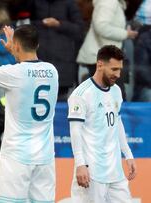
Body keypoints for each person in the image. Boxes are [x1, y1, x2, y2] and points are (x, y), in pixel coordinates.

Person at [0, 25, 59, 202]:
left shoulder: (11, 72)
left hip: (17, 156)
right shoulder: (52, 71)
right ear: (37, 45)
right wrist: (15, 51)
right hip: (44, 157)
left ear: (16, 45)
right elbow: (28, 73)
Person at [68, 45, 136, 203]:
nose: (118, 74)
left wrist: (128, 154)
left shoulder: (116, 91)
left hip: (115, 171)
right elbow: (75, 131)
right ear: (100, 65)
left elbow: (117, 123)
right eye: (114, 69)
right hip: (92, 172)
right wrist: (80, 164)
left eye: (120, 69)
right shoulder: (81, 94)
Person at [76, 0, 138, 99]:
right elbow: (101, 26)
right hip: (103, 58)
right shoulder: (109, 1)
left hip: (107, 58)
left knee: (111, 98)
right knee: (113, 98)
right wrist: (126, 34)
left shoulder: (114, 3)